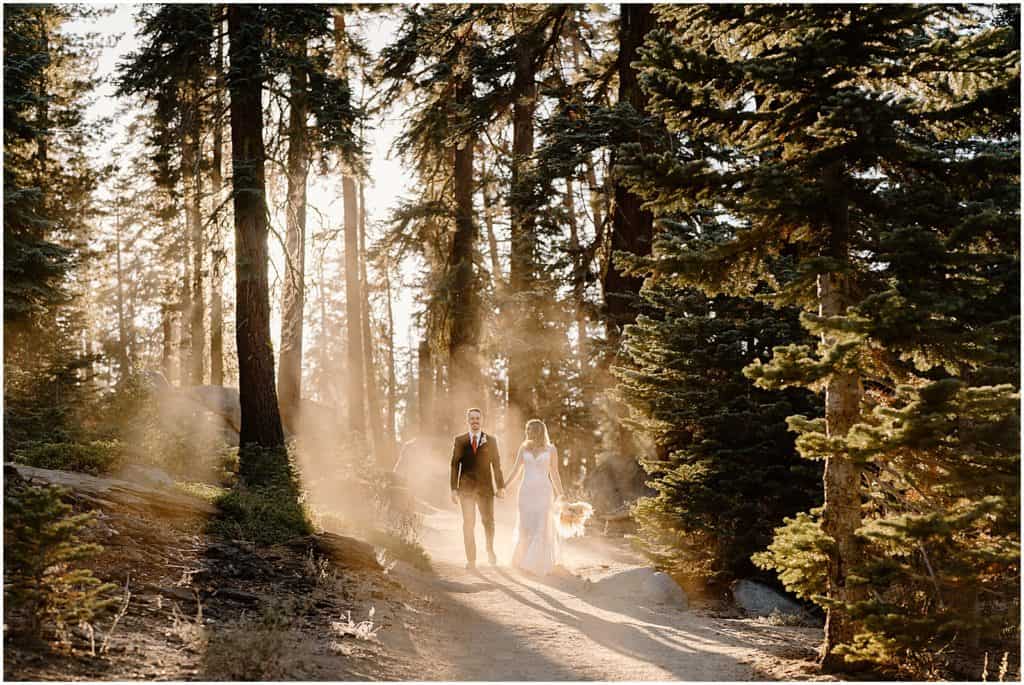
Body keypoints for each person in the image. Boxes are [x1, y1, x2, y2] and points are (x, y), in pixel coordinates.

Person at [506, 418, 565, 576]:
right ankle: (521, 560)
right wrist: (504, 486)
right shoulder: (524, 448)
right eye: (527, 430)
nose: (527, 432)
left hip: (544, 493)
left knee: (541, 526)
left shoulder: (551, 449)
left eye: (530, 430)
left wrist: (561, 493)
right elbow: (516, 469)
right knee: (525, 527)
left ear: (538, 431)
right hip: (525, 492)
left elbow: (554, 472)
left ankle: (534, 564)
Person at [450, 408, 505, 569]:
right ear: (468, 420)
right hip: (465, 490)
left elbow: (496, 465)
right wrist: (453, 489)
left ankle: (490, 549)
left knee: (488, 522)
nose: (475, 421)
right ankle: (471, 560)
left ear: (482, 420)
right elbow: (454, 465)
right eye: (472, 418)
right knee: (468, 523)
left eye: (477, 418)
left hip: (486, 489)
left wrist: (500, 486)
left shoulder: (491, 440)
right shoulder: (460, 440)